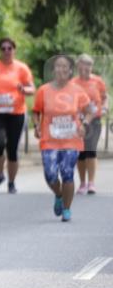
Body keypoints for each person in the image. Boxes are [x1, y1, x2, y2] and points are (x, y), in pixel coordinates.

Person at [32, 55, 96, 222]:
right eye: (57, 66)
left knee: (67, 174)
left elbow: (90, 111)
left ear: (70, 71)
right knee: (50, 174)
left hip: (71, 140)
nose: (60, 69)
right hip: (49, 141)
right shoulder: (43, 90)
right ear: (53, 70)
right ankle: (59, 194)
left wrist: (84, 125)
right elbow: (36, 111)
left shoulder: (77, 91)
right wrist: (37, 125)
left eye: (64, 67)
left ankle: (66, 209)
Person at [0, 37, 35, 193]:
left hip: (16, 113)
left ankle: (11, 183)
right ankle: (0, 175)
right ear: (0, 51)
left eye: (9, 48)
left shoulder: (22, 68)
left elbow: (32, 89)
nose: (6, 51)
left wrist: (23, 90)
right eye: (3, 48)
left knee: (12, 149)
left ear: (14, 50)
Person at [71, 54, 108, 194]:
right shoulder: (73, 82)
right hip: (77, 120)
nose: (86, 68)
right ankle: (82, 183)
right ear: (77, 66)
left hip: (94, 120)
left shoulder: (98, 81)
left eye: (88, 65)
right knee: (80, 152)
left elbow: (105, 98)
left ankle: (91, 183)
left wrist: (105, 107)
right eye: (83, 64)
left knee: (90, 150)